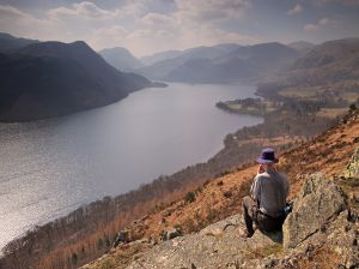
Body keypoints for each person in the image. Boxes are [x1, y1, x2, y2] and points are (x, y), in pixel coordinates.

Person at [242, 148, 289, 237]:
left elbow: (253, 195)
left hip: (267, 223)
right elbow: (285, 195)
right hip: (282, 220)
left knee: (245, 200)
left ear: (263, 163)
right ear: (273, 163)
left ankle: (250, 232)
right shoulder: (284, 177)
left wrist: (257, 174)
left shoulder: (261, 178)